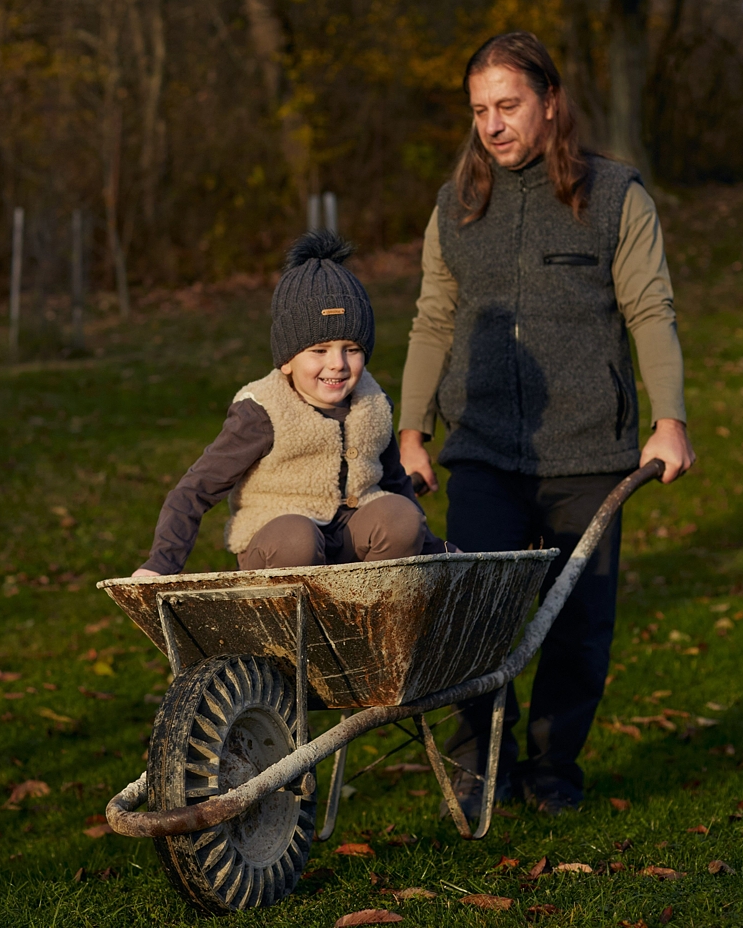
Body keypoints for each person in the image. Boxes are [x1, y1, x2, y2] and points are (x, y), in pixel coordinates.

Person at [397, 32, 695, 816]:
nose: (492, 125)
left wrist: (669, 419)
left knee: (577, 626)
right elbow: (433, 319)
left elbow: (651, 308)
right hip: (483, 449)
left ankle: (555, 768)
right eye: (479, 111)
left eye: (508, 105)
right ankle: (479, 766)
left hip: (589, 450)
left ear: (551, 102)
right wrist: (411, 432)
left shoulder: (616, 196)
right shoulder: (456, 205)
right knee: (473, 617)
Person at [133, 230, 447, 580]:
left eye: (352, 349)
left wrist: (438, 549)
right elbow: (194, 490)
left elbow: (395, 482)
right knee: (297, 539)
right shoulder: (263, 411)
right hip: (278, 545)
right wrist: (161, 564)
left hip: (350, 544)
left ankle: (370, 603)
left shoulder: (372, 405)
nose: (337, 364)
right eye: (319, 350)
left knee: (401, 516)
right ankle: (296, 610)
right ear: (286, 360)